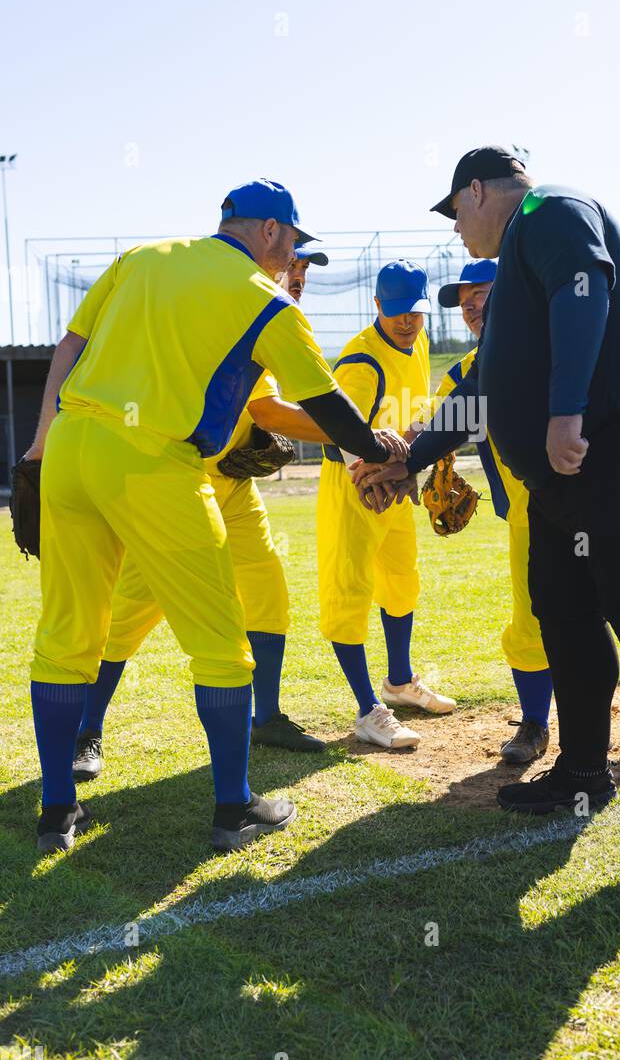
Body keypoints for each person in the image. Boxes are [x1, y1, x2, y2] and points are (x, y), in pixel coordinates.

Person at [353, 148, 620, 871]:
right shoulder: (511, 285)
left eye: (456, 214)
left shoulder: (548, 210)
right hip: (570, 474)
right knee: (562, 610)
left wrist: (565, 411)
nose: (459, 233)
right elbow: (482, 392)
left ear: (477, 191)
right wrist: (409, 455)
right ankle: (583, 774)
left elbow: (584, 289)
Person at [25, 178, 406, 852]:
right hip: (156, 464)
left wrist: (39, 444)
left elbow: (70, 348)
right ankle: (233, 809)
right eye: (291, 239)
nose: (292, 255)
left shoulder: (144, 257)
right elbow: (322, 403)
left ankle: (57, 812)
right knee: (221, 646)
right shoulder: (263, 300)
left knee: (66, 633)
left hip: (72, 447)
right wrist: (380, 446)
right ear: (267, 231)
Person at [317, 260, 456, 752]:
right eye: (396, 312)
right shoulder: (360, 360)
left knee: (402, 581)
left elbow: (415, 412)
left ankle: (399, 683)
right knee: (348, 592)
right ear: (377, 305)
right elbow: (333, 436)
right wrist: (373, 468)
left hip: (396, 487)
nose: (406, 321)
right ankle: (367, 709)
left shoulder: (417, 343)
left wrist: (422, 459)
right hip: (355, 489)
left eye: (415, 312)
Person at [433, 260, 552, 763]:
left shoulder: (551, 345)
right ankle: (534, 725)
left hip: (597, 505)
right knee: (530, 623)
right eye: (464, 303)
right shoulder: (463, 373)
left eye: (480, 293)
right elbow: (433, 423)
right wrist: (419, 461)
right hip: (526, 518)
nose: (471, 306)